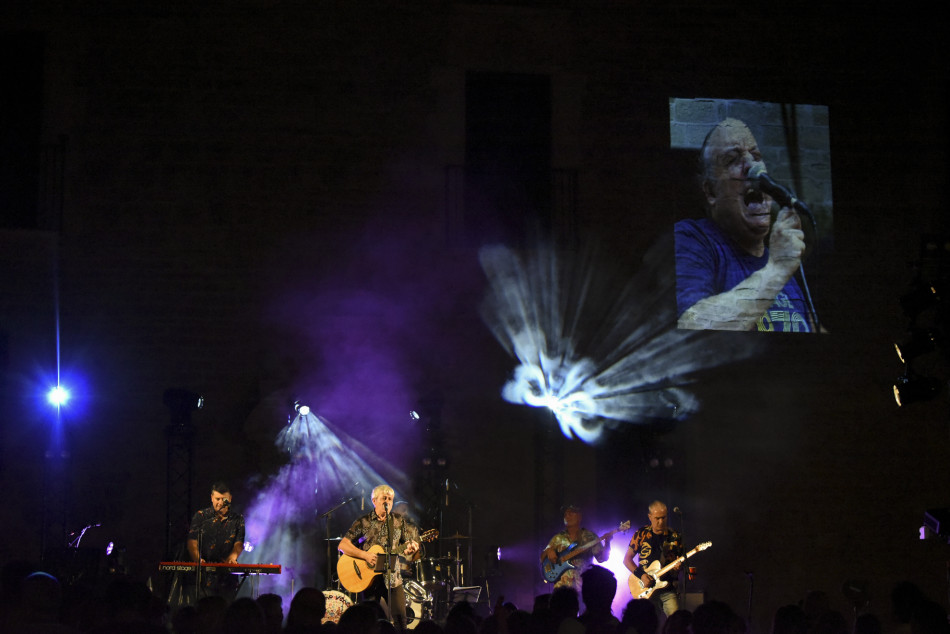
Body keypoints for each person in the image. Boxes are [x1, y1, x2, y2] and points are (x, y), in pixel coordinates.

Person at [675, 117, 815, 332]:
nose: (753, 166)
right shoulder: (692, 238)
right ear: (711, 192)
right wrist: (777, 269)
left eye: (756, 155)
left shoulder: (778, 255)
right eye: (733, 160)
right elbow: (692, 326)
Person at [339, 484, 420, 631]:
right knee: (367, 621)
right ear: (374, 500)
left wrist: (411, 548)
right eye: (384, 498)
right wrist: (364, 555)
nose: (387, 501)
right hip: (368, 579)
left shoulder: (398, 521)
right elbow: (343, 545)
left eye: (390, 499)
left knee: (401, 620)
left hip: (392, 576)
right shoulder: (364, 522)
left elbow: (407, 546)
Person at [187, 481, 246, 600]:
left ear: (230, 498)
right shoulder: (201, 516)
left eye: (224, 499)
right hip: (203, 576)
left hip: (227, 577)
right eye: (217, 499)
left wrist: (233, 557)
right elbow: (192, 541)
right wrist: (197, 559)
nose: (220, 503)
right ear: (212, 498)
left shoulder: (238, 519)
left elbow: (239, 543)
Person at [623, 501, 683, 617]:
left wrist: (677, 568)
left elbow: (679, 563)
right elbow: (627, 560)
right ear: (650, 517)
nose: (661, 522)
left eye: (664, 518)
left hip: (668, 588)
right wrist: (642, 575)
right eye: (657, 518)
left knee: (676, 623)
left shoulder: (675, 536)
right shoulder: (641, 534)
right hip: (646, 589)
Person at [541, 505, 611, 591]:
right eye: (565, 514)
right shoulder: (557, 538)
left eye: (571, 513)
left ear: (579, 517)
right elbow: (542, 557)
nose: (567, 516)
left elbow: (602, 558)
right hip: (561, 589)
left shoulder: (590, 537)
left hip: (583, 588)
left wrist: (607, 543)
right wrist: (549, 551)